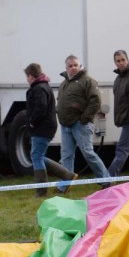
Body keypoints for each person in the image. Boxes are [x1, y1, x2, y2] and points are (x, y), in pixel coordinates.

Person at [56, 55, 111, 191]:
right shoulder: (64, 84)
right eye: (70, 66)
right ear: (66, 68)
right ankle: (65, 186)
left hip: (81, 124)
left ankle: (106, 179)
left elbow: (95, 101)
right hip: (66, 125)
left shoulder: (88, 81)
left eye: (75, 65)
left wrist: (84, 119)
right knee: (66, 156)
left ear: (80, 66)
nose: (73, 68)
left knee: (88, 153)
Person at [24, 63, 78, 197]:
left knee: (36, 156)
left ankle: (41, 191)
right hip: (46, 126)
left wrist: (31, 121)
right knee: (38, 155)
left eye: (27, 76)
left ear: (31, 76)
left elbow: (40, 108)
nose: (27, 79)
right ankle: (68, 175)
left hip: (42, 127)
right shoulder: (43, 86)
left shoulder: (39, 88)